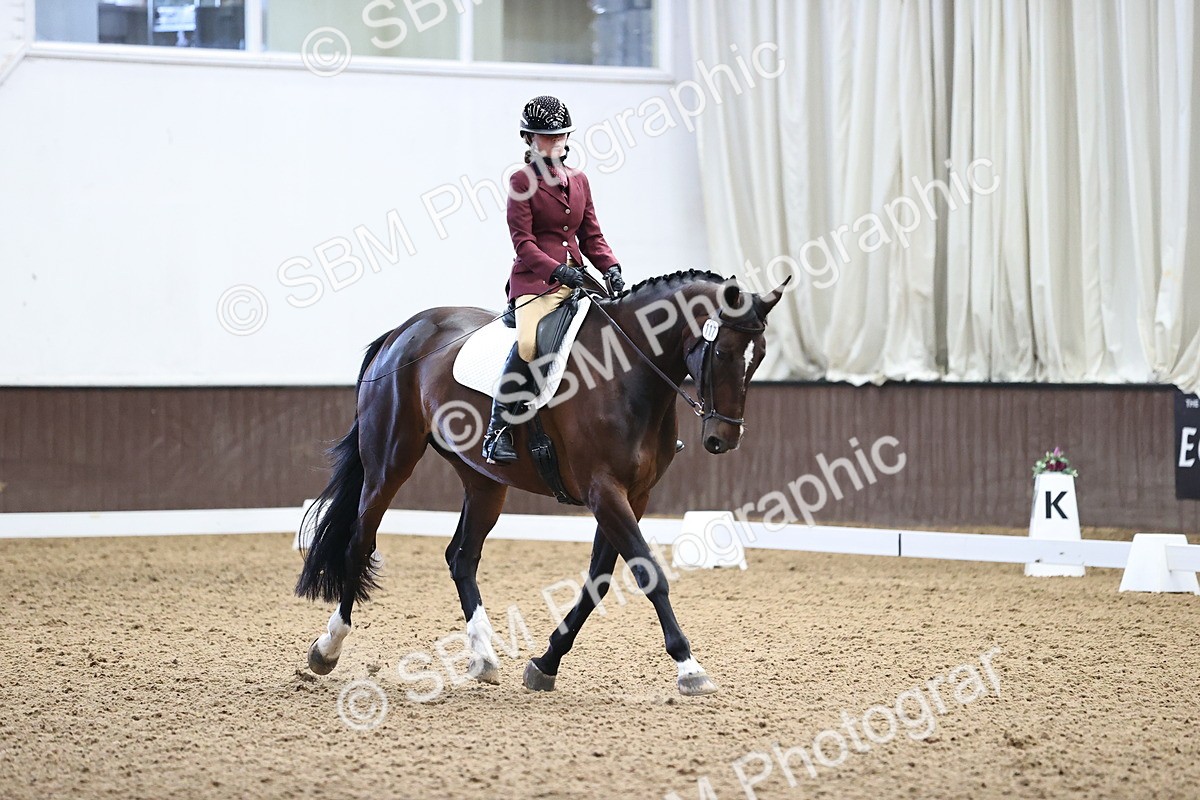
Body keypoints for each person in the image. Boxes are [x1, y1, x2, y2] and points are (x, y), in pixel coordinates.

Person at [481, 95, 625, 465]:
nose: (555, 142)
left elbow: (591, 235)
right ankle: (497, 430)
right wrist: (556, 270)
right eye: (547, 137)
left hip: (578, 279)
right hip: (537, 282)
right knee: (530, 344)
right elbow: (523, 242)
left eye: (561, 135)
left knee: (619, 332)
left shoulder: (579, 180)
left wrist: (610, 267)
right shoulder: (521, 181)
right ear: (529, 139)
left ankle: (634, 424)